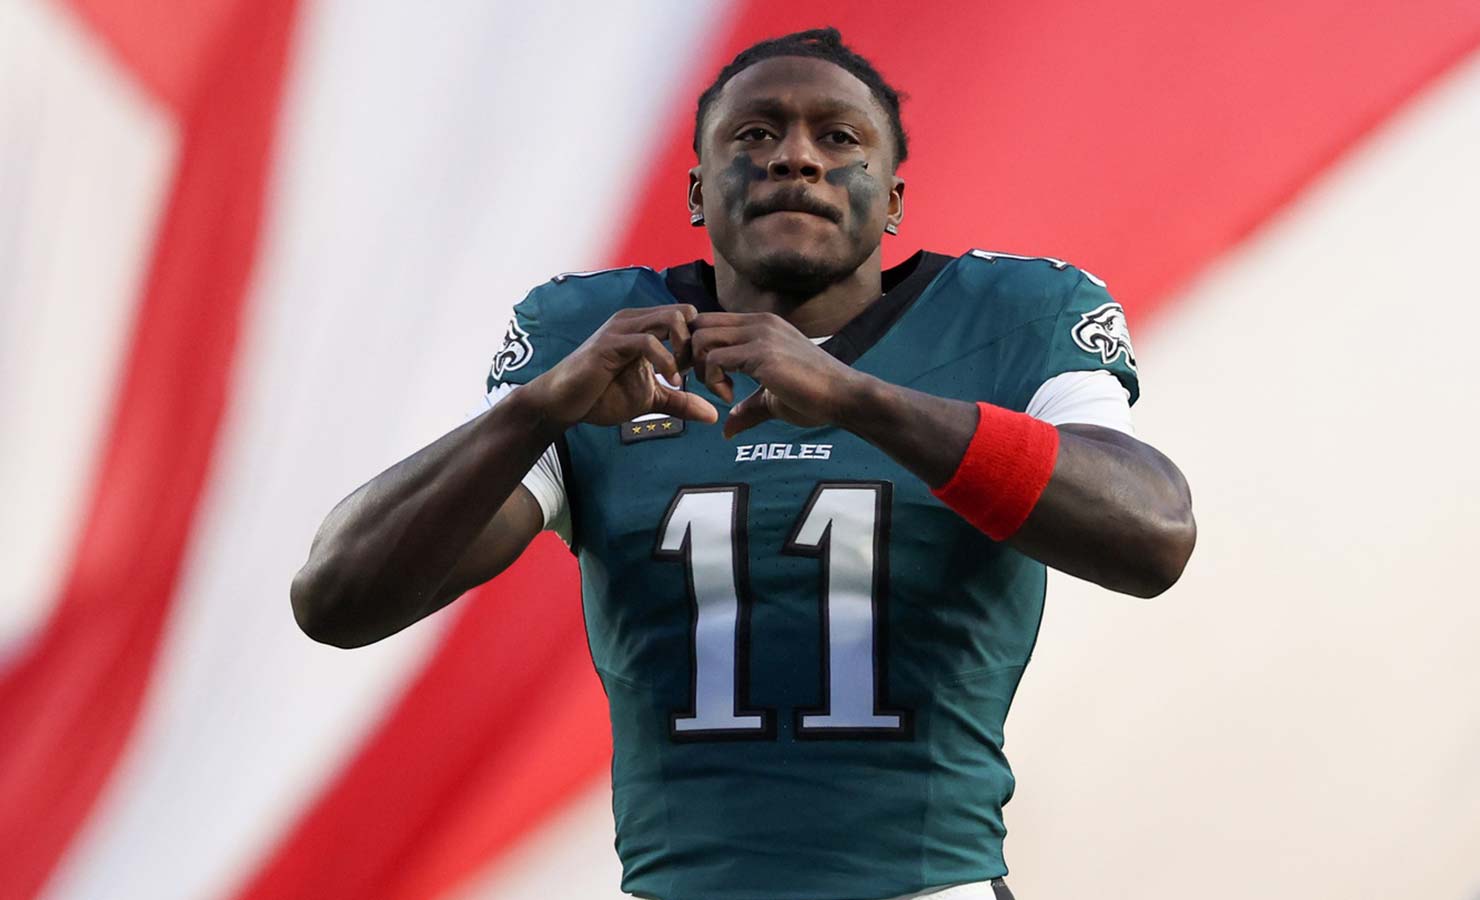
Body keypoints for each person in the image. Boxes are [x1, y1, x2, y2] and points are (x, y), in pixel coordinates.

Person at [292, 27, 1195, 900]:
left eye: (838, 138)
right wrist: (535, 409)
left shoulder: (1012, 315)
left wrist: (855, 397)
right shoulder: (597, 345)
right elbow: (337, 599)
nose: (794, 159)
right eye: (754, 134)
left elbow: (1152, 534)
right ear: (696, 191)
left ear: (892, 200)